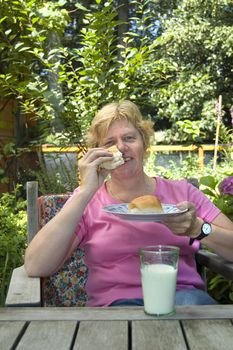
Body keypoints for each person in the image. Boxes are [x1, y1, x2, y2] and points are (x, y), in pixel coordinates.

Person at [24, 100, 233, 307]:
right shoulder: (88, 201)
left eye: (129, 138)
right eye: (109, 143)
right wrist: (85, 192)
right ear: (98, 153)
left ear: (144, 144)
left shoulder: (182, 192)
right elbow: (35, 266)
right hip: (116, 307)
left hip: (183, 300)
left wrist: (198, 228)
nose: (121, 148)